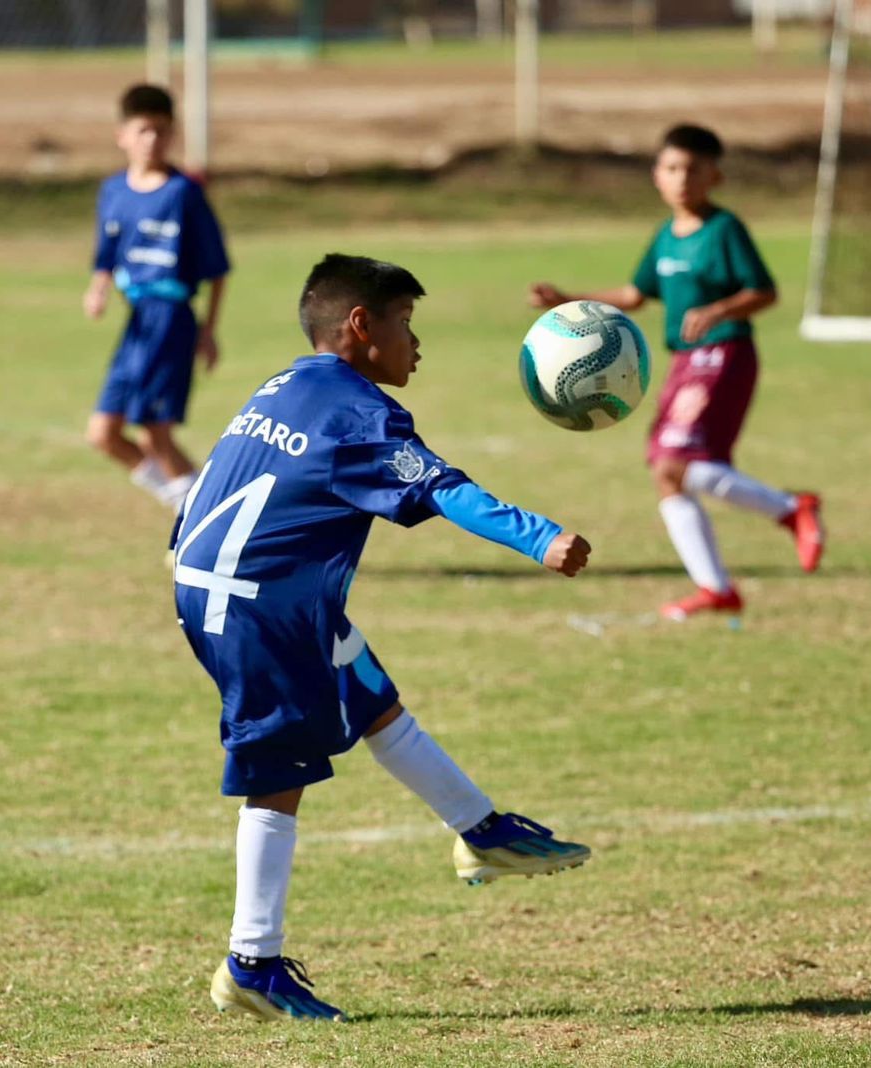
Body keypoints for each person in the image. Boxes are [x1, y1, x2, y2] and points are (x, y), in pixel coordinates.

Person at [176, 253, 593, 1022]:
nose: (416, 342)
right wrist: (540, 539)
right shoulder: (360, 414)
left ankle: (481, 829)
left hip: (224, 585)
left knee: (366, 692)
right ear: (361, 326)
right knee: (280, 770)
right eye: (405, 322)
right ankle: (251, 964)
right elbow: (443, 491)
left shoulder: (289, 383)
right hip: (259, 606)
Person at [529, 124, 823, 622]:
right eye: (671, 169)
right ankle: (716, 587)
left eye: (693, 170)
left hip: (724, 354)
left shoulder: (724, 230)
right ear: (656, 177)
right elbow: (633, 296)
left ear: (715, 177)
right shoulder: (665, 237)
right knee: (668, 476)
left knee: (677, 463)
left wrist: (720, 310)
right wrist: (567, 300)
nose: (681, 179)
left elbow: (765, 291)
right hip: (686, 361)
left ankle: (791, 509)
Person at [82, 84, 230, 514]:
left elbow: (217, 268)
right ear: (122, 135)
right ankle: (190, 510)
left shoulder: (183, 192)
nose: (153, 140)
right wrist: (98, 288)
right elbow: (107, 251)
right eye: (144, 130)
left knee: (154, 433)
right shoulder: (113, 191)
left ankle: (207, 521)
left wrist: (209, 329)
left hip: (170, 319)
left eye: (162, 131)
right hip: (137, 325)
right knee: (103, 434)